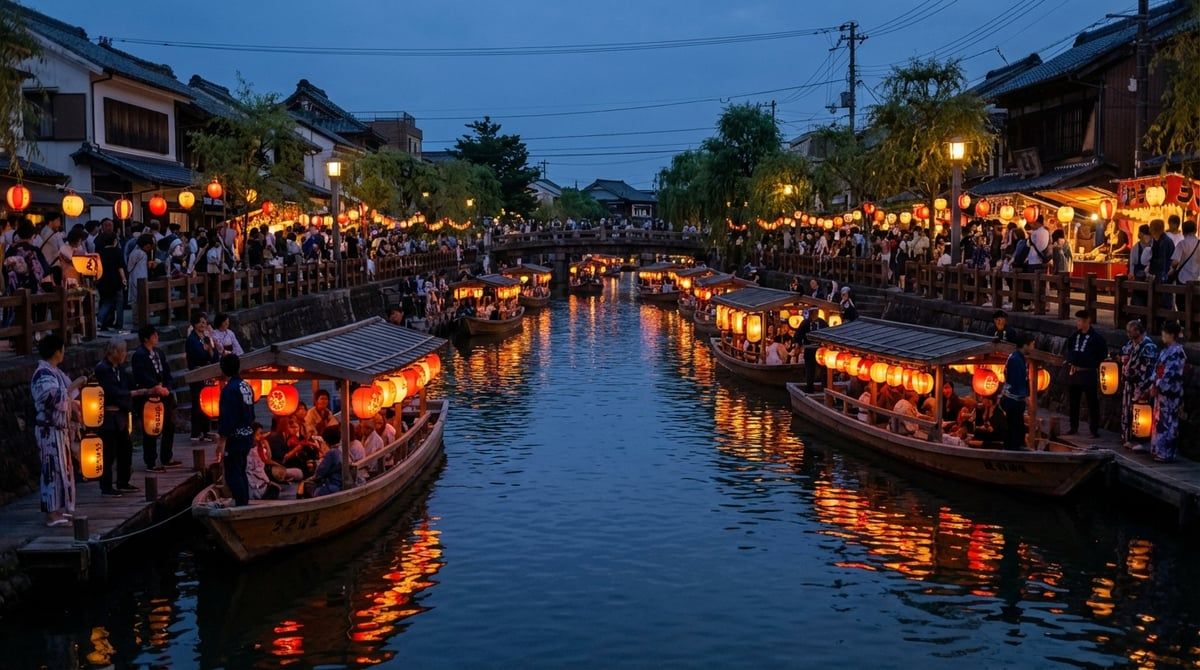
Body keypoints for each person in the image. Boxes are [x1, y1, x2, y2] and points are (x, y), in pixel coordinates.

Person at [31, 334, 86, 527]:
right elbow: (55, 399)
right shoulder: (42, 374)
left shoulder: (55, 372)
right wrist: (75, 385)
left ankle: (60, 510)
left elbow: (68, 398)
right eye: (62, 349)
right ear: (57, 351)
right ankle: (51, 514)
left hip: (60, 431)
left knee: (64, 472)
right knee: (51, 472)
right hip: (49, 431)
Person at [94, 339, 148, 497]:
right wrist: (132, 394)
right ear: (115, 352)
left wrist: (140, 390)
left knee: (126, 449)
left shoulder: (120, 368)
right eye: (123, 351)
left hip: (121, 417)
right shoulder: (102, 369)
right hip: (108, 417)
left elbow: (127, 386)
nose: (125, 355)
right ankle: (106, 486)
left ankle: (123, 482)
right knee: (108, 453)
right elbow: (111, 392)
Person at [131, 325, 178, 471]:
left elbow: (167, 372)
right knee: (150, 428)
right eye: (154, 335)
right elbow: (141, 376)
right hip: (149, 395)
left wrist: (167, 387)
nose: (157, 337)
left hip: (163, 392)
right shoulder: (139, 355)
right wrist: (155, 387)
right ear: (146, 338)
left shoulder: (159, 353)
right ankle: (150, 461)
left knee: (169, 425)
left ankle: (166, 456)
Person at [217, 354, 256, 506]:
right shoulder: (246, 386)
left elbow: (228, 418)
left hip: (236, 437)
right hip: (247, 433)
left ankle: (241, 503)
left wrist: (222, 440)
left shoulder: (229, 390)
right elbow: (251, 413)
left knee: (233, 471)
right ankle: (243, 500)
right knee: (240, 469)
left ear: (223, 369)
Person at [1064, 310, 1107, 438]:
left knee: (1092, 402)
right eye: (1077, 320)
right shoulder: (1073, 336)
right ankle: (1073, 426)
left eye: (1080, 321)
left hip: (1088, 373)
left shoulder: (1096, 338)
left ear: (1087, 321)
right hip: (1075, 372)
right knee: (1073, 401)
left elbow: (1102, 354)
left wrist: (1092, 363)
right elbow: (1069, 350)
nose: (1077, 323)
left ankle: (1094, 429)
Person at [1150, 321, 1186, 463]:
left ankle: (1166, 453)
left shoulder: (1177, 352)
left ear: (1171, 335)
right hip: (1161, 392)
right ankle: (1158, 450)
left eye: (1164, 333)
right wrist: (1153, 383)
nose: (1162, 336)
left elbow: (1170, 374)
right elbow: (1157, 370)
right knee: (1159, 421)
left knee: (1169, 423)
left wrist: (1158, 385)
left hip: (1171, 392)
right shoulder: (1165, 351)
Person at [1120, 319, 1158, 452]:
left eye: (1130, 331)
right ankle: (1128, 438)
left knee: (1140, 415)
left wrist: (1144, 388)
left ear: (1138, 331)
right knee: (1129, 412)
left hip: (1140, 385)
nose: (1128, 333)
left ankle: (1141, 441)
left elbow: (1149, 370)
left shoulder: (1149, 347)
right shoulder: (1131, 344)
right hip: (1129, 384)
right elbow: (1123, 352)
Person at [186, 312, 219, 442]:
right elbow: (198, 355)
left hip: (207, 371)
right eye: (200, 322)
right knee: (197, 403)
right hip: (197, 372)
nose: (203, 324)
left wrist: (210, 348)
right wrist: (206, 351)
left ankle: (206, 431)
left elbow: (214, 356)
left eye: (205, 322)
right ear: (194, 324)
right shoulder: (192, 339)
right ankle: (196, 432)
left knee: (207, 401)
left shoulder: (206, 337)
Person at [1000, 333, 1035, 451]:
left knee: (1017, 427)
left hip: (1014, 400)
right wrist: (1027, 399)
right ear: (1025, 345)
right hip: (1013, 400)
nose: (1032, 348)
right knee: (1014, 428)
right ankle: (1013, 451)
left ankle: (1015, 447)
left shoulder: (1017, 357)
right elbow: (1017, 382)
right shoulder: (1015, 359)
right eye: (1032, 345)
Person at [95, 233, 127, 331]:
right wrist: (124, 279)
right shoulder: (117, 251)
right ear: (115, 241)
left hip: (103, 280)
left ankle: (101, 321)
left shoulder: (99, 253)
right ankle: (118, 323)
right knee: (119, 303)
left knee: (106, 301)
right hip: (116, 280)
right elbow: (120, 267)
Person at [1169, 219, 1199, 284]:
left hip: (1183, 277)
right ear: (1195, 230)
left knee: (1181, 293)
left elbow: (1175, 262)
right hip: (1197, 278)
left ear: (1183, 231)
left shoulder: (1181, 244)